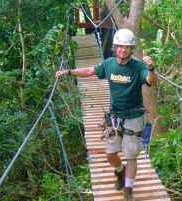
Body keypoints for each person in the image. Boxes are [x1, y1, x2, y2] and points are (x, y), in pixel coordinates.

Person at [56, 29, 158, 201]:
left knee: (131, 154)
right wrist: (68, 72)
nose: (122, 50)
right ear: (115, 47)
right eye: (120, 46)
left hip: (134, 116)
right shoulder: (109, 64)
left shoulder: (138, 67)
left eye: (126, 47)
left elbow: (151, 82)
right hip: (115, 116)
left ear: (131, 49)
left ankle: (128, 189)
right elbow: (90, 71)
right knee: (110, 154)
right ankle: (120, 171)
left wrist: (151, 68)